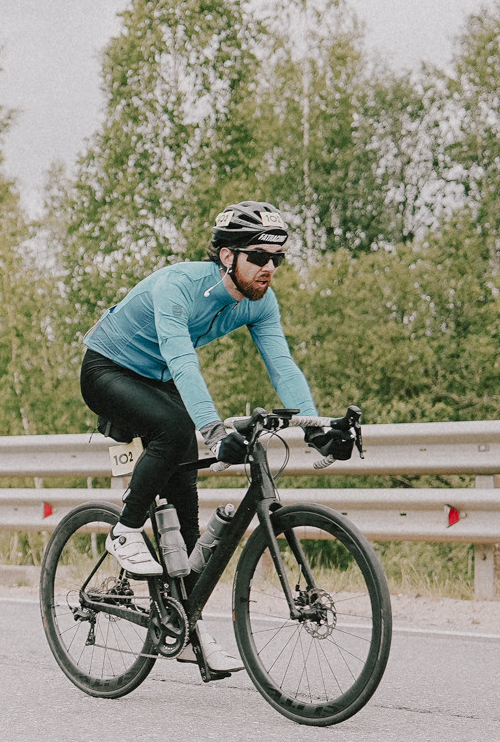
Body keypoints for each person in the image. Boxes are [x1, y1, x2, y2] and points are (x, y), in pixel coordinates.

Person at [79, 201, 354, 578]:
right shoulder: (179, 286)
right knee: (175, 429)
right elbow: (182, 361)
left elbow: (282, 366)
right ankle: (125, 531)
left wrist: (314, 428)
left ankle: (186, 622)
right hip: (107, 368)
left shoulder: (260, 303)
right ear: (227, 255)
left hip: (158, 379)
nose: (269, 268)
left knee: (186, 499)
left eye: (278, 259)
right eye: (259, 256)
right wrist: (214, 433)